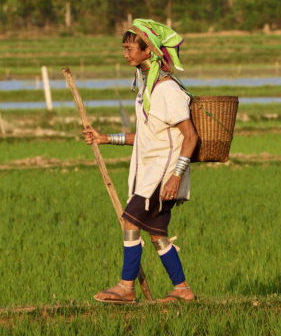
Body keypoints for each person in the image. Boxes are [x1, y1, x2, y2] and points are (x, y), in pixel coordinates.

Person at [83, 18, 199, 304]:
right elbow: (146, 136)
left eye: (129, 48)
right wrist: (105, 138)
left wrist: (176, 176)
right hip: (149, 173)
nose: (125, 53)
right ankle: (182, 290)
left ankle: (125, 286)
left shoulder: (168, 90)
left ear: (148, 51)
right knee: (158, 233)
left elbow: (190, 136)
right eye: (123, 48)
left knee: (129, 219)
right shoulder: (145, 89)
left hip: (163, 174)